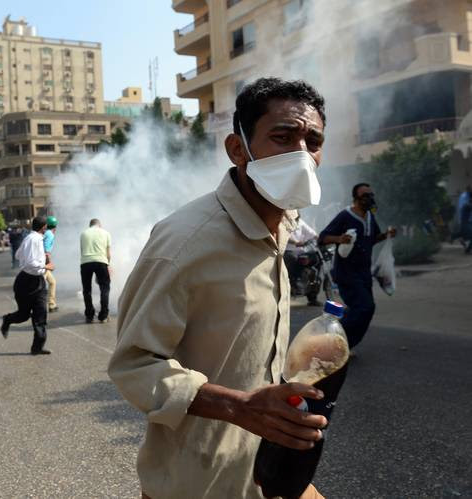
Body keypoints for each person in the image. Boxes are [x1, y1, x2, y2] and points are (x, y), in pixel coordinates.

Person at [108, 78, 329, 499]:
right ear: (237, 148)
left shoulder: (284, 224)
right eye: (282, 137)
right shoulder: (184, 242)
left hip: (270, 473)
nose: (301, 154)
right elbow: (133, 365)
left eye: (313, 140)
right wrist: (239, 407)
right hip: (198, 484)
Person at [318, 183, 396, 349]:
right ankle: (332, 341)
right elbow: (322, 238)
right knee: (364, 307)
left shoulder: (369, 217)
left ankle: (345, 345)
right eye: (365, 196)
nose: (370, 199)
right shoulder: (345, 216)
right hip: (347, 273)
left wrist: (386, 235)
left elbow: (372, 239)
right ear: (356, 199)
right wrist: (339, 239)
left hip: (364, 273)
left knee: (365, 310)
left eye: (371, 195)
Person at [0, 216, 53, 355]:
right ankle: (7, 320)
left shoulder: (30, 239)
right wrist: (46, 266)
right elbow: (30, 263)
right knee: (23, 315)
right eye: (46, 226)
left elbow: (18, 255)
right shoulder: (33, 239)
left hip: (37, 281)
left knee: (40, 314)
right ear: (43, 228)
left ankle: (37, 347)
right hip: (26, 281)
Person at [79, 219, 111, 324]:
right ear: (99, 225)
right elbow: (108, 253)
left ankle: (89, 315)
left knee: (87, 290)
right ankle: (103, 315)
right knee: (104, 288)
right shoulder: (106, 233)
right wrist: (108, 265)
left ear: (90, 225)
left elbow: (82, 251)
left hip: (85, 262)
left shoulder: (83, 234)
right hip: (101, 261)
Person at [284, 215, 319, 304]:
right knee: (293, 260)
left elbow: (312, 233)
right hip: (288, 251)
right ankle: (296, 285)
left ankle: (312, 298)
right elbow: (284, 236)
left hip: (301, 251)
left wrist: (321, 239)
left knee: (315, 262)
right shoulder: (284, 222)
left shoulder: (300, 222)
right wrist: (295, 242)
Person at [43, 215, 58, 312]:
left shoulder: (46, 233)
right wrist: (49, 263)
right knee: (39, 285)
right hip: (43, 263)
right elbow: (46, 251)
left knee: (52, 282)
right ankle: (37, 306)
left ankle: (52, 305)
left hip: (43, 262)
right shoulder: (50, 234)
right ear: (55, 226)